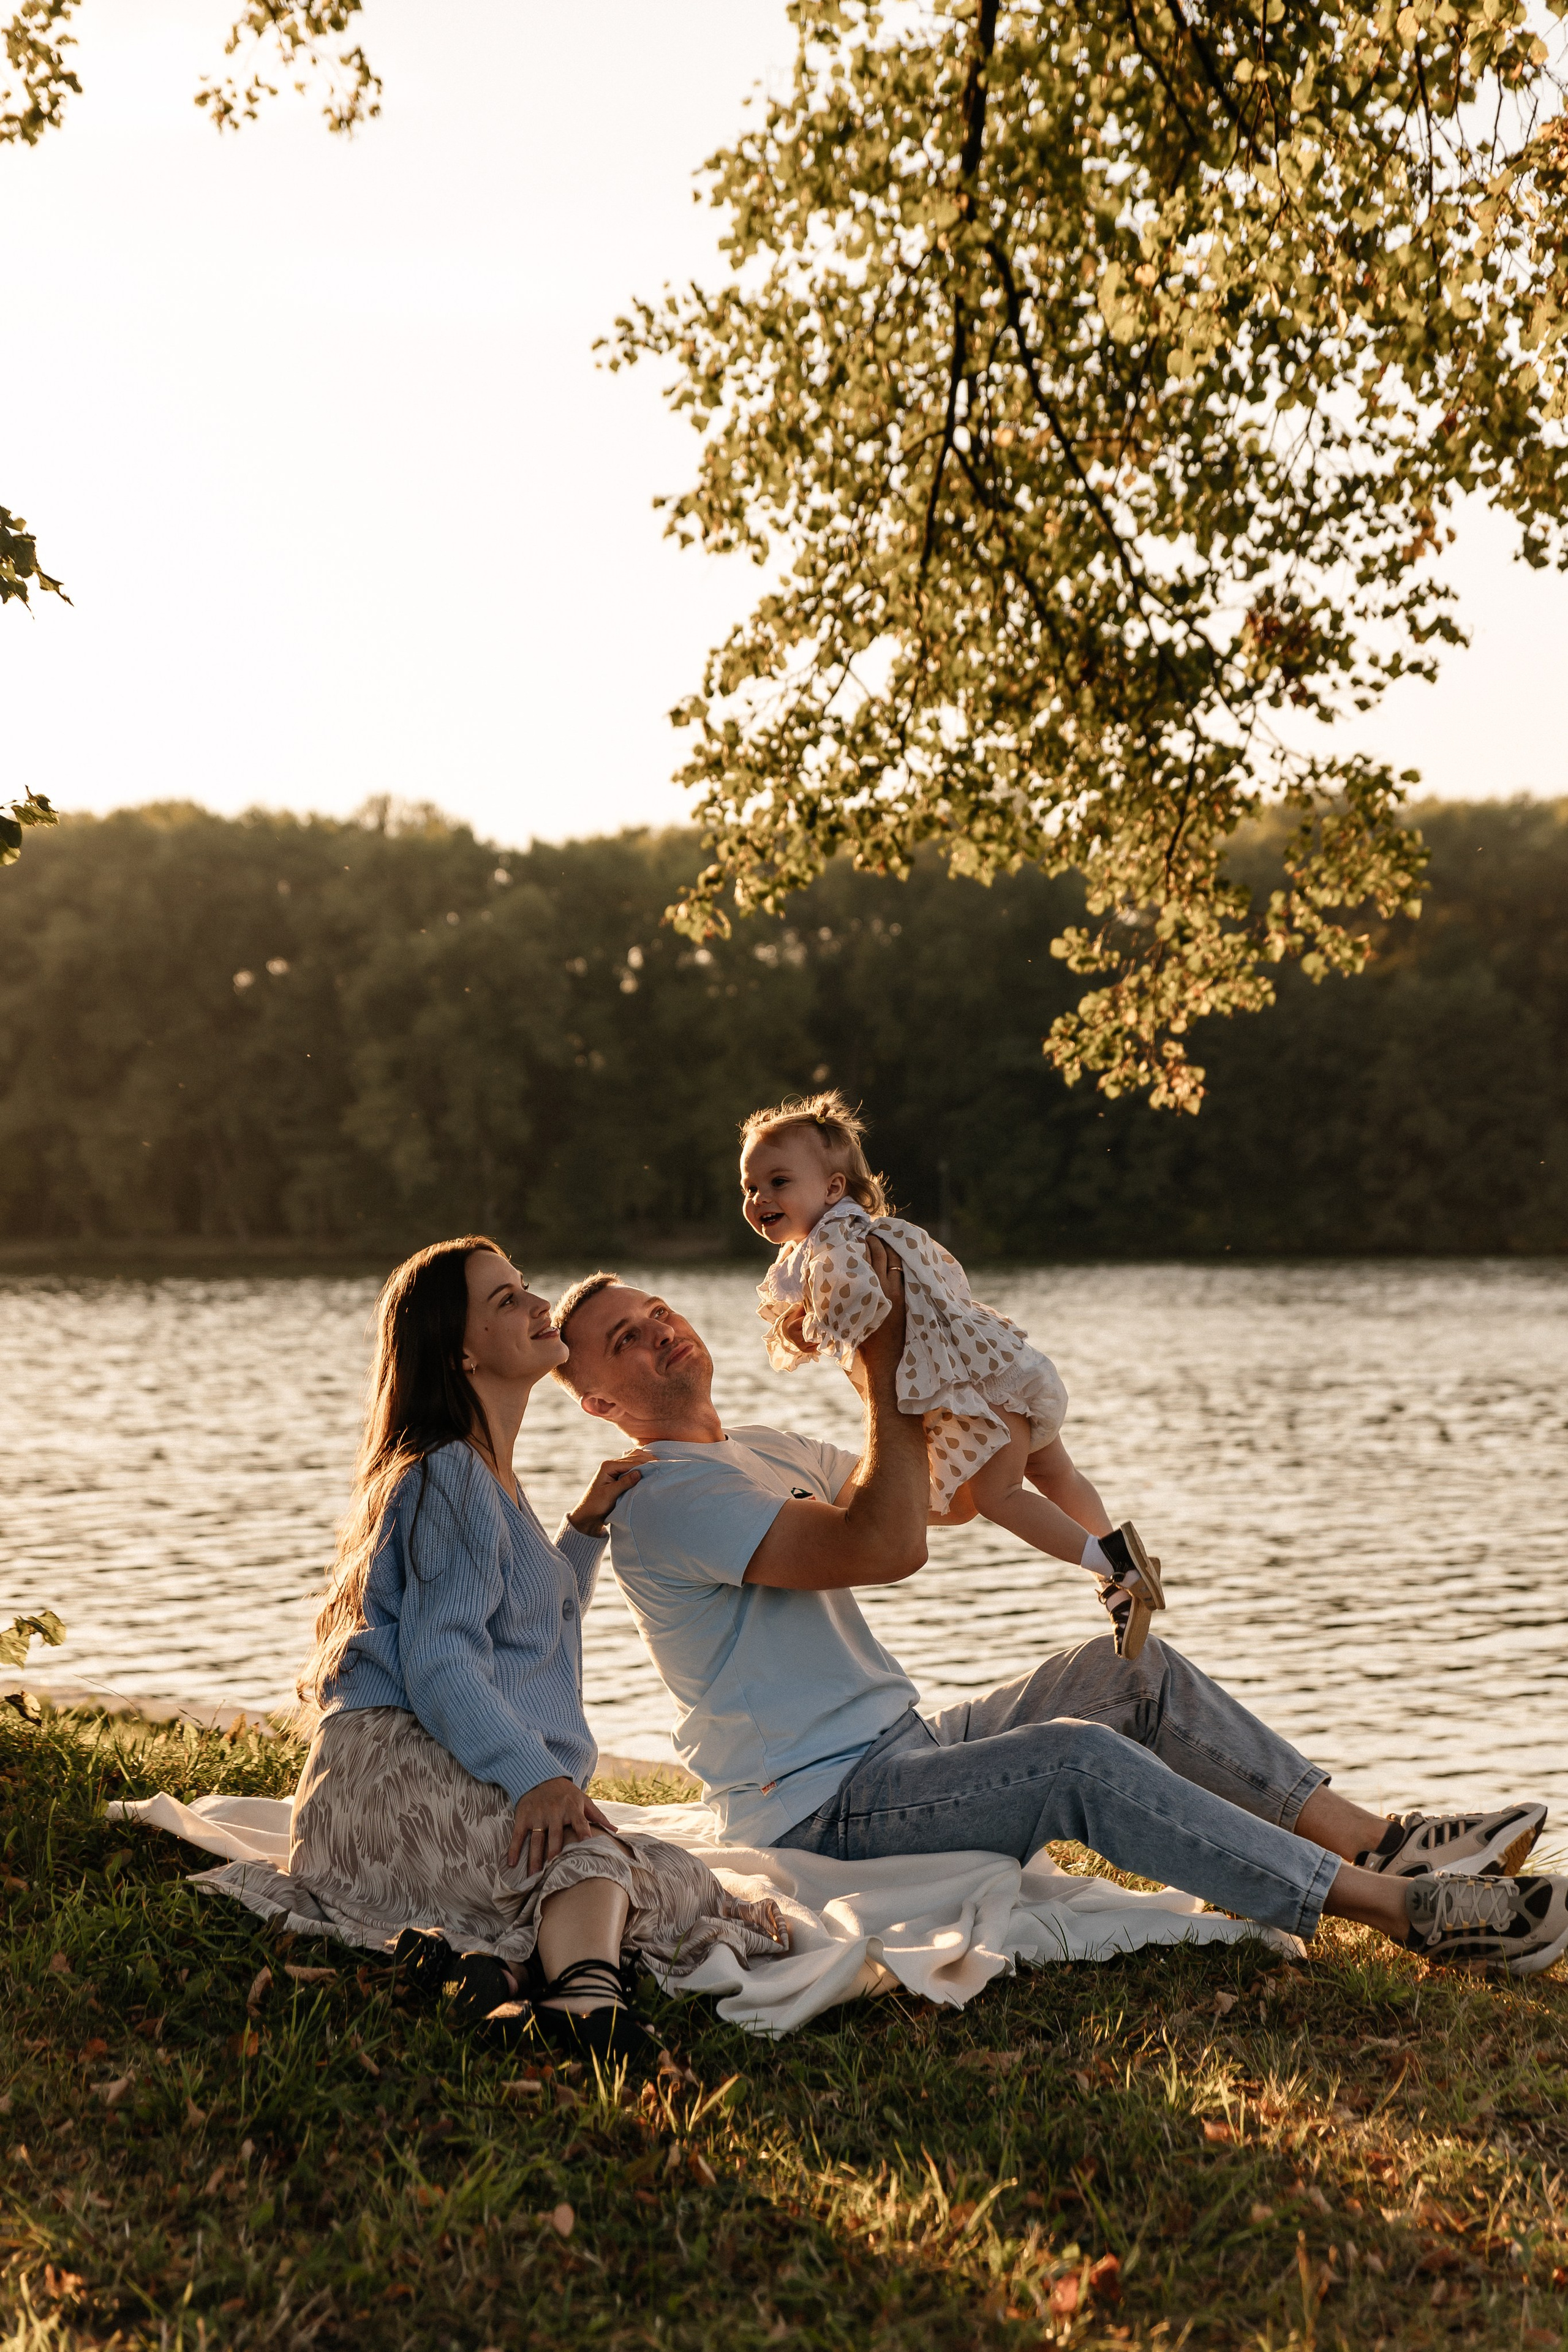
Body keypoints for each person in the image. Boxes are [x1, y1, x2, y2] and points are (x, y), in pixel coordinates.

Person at [553, 1252, 1568, 1979]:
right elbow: (882, 1546)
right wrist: (884, 1370)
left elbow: (938, 1499)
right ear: (597, 1402)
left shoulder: (764, 1445)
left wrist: (983, 1374)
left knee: (1127, 1670)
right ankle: (1409, 1913)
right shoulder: (668, 1495)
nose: (657, 1332)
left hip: (899, 1745)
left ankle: (1385, 1844)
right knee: (1079, 1759)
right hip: (824, 1809)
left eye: (655, 1312)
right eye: (623, 1341)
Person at [290, 1235, 788, 2069]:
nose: (537, 1307)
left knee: (675, 1878)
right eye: (506, 1301)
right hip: (392, 1773)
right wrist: (538, 1777)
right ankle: (587, 2004)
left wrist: (581, 1534)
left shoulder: (485, 1477)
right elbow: (443, 1660)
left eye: (526, 1289)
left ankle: (485, 1965)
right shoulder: (453, 1472)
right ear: (460, 1351)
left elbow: (527, 1623)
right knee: (600, 1857)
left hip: (387, 1780)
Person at [739, 1090, 1163, 1655]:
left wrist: (808, 1328)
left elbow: (866, 1306)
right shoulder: (855, 1234)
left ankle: (1118, 1569)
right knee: (1056, 1475)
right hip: (997, 1366)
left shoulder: (837, 1243)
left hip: (973, 1389)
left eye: (778, 1182)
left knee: (1000, 1497)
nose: (760, 1198)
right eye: (749, 1187)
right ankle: (1117, 1575)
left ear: (834, 1189)